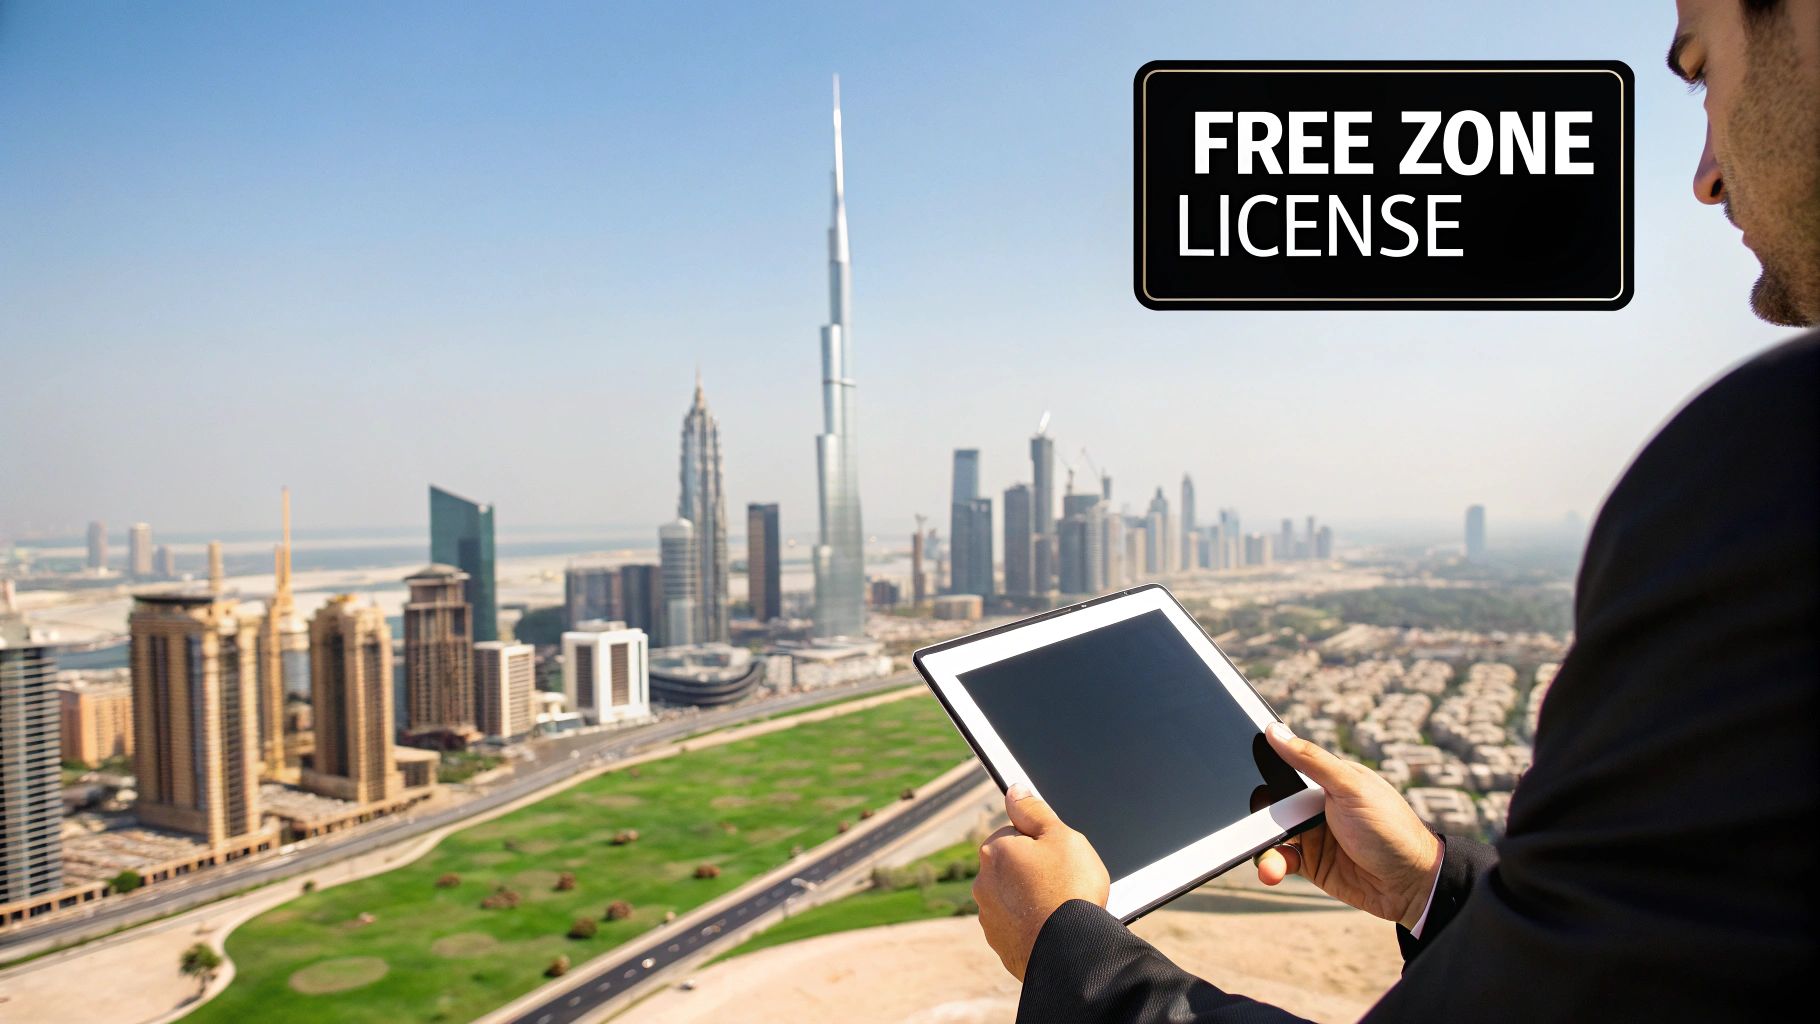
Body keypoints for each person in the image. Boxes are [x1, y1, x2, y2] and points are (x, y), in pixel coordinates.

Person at [970, 0, 1820, 1019]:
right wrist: (1428, 885)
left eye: (1699, 71)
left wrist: (1068, 952)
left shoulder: (1769, 468)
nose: (1703, 172)